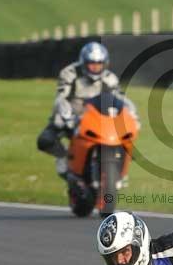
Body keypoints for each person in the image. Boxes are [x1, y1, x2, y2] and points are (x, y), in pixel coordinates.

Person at [37, 41, 136, 179]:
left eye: (99, 64)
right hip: (71, 117)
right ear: (84, 63)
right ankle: (64, 156)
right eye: (91, 64)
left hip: (99, 120)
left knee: (127, 143)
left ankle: (120, 173)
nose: (95, 68)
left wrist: (131, 115)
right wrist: (66, 117)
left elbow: (120, 100)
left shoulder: (110, 79)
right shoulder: (69, 73)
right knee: (45, 140)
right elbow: (61, 98)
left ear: (105, 63)